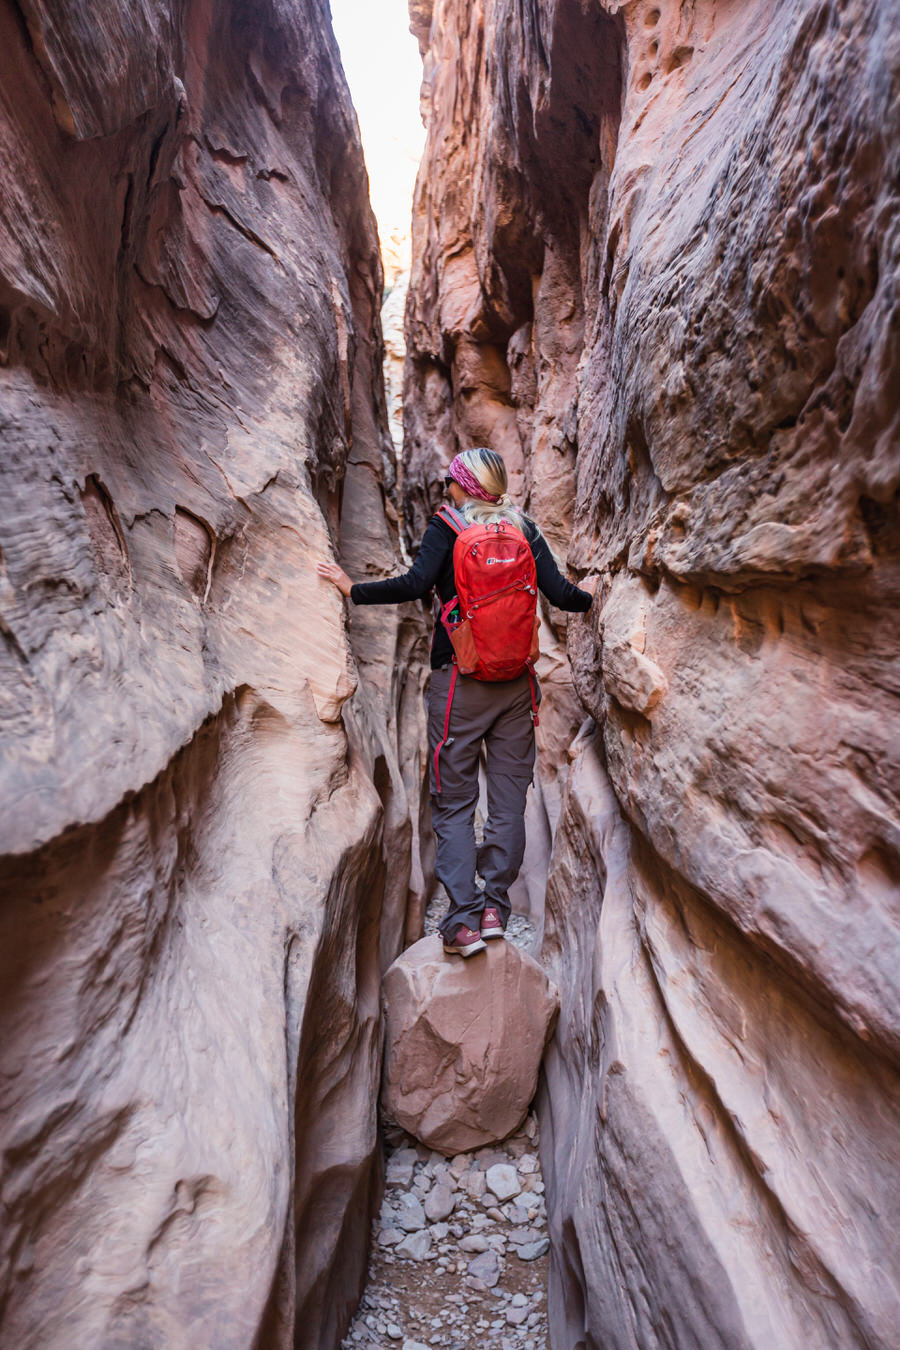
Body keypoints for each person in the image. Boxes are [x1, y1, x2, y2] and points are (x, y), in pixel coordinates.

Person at [316, 447, 593, 957]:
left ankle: (462, 922)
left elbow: (416, 585)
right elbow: (558, 592)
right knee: (508, 801)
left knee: (455, 802)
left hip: (458, 684)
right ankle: (495, 911)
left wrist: (352, 588)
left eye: (451, 479)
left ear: (464, 484)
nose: (446, 486)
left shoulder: (447, 527)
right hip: (515, 685)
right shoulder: (523, 528)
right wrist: (592, 597)